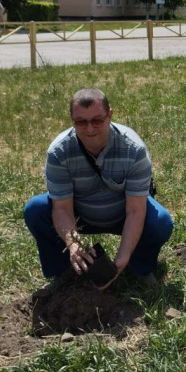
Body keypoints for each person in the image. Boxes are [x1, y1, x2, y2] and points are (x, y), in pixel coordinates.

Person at [23, 88, 174, 293]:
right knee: (36, 209)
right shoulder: (59, 152)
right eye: (81, 122)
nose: (90, 129)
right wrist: (74, 245)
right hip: (81, 216)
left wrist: (122, 257)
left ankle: (140, 269)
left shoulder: (134, 149)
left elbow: (136, 211)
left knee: (161, 221)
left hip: (124, 214)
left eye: (97, 120)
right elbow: (62, 209)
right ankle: (65, 272)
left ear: (110, 115)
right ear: (72, 120)